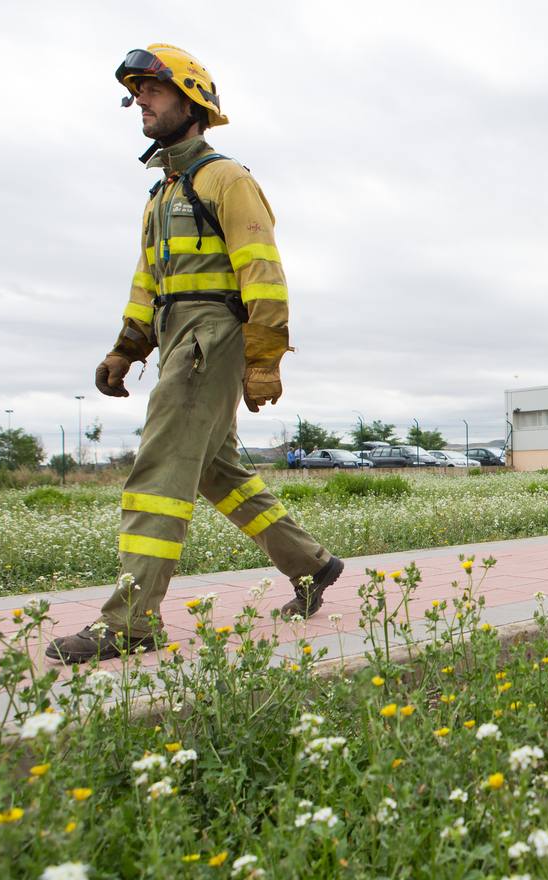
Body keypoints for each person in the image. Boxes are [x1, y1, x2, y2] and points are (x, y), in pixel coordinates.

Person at [46, 45, 344, 663]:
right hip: (177, 332)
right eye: (135, 93)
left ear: (192, 100)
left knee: (159, 469)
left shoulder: (225, 180)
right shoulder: (161, 196)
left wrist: (265, 357)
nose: (140, 104)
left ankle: (131, 621)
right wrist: (126, 349)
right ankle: (311, 565)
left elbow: (263, 273)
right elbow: (146, 283)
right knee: (215, 471)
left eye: (152, 90)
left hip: (212, 336)